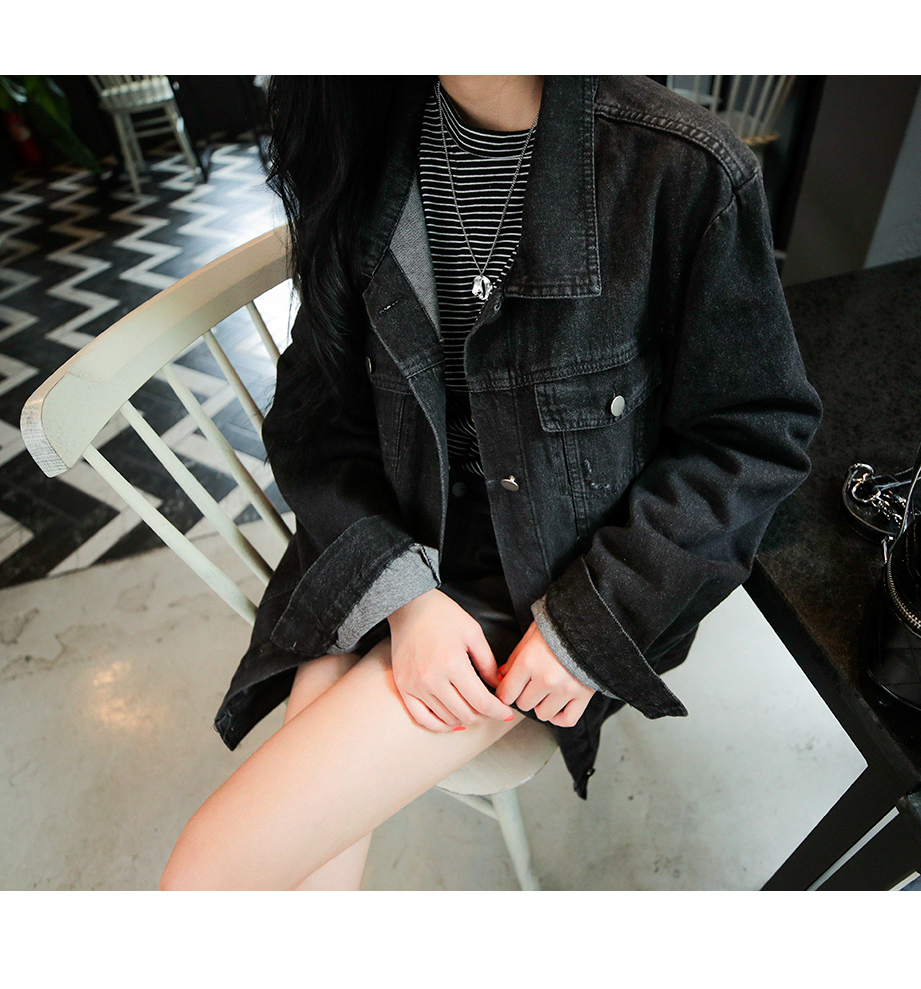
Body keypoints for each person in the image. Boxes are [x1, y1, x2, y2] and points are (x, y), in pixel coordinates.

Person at [159, 75, 822, 890]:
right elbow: (315, 418)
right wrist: (405, 597)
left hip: (545, 572)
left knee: (213, 865)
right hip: (387, 523)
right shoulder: (366, 138)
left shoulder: (679, 168)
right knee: (252, 861)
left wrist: (589, 621)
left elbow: (753, 435)